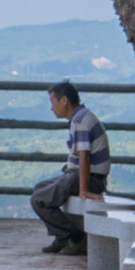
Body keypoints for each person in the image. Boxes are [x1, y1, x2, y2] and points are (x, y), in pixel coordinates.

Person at [30, 81, 111, 254]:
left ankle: (75, 237)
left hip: (89, 179)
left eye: (53, 102)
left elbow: (85, 157)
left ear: (64, 100)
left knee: (38, 199)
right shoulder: (80, 117)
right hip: (78, 176)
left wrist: (83, 189)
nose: (52, 108)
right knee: (39, 190)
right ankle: (62, 237)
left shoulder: (81, 120)